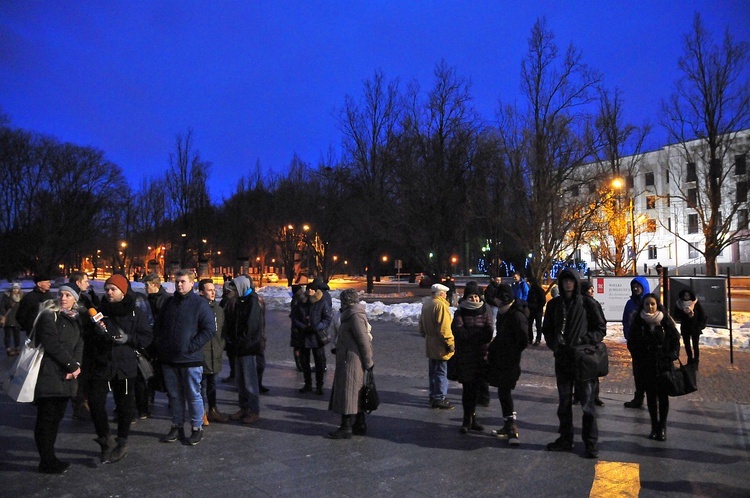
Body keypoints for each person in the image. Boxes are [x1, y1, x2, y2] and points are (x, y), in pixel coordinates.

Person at [86, 274, 152, 464]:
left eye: (113, 289)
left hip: (125, 365)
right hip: (103, 364)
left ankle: (122, 441)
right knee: (96, 402)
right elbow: (88, 338)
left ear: (122, 292)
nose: (109, 293)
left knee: (124, 405)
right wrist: (97, 334)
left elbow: (147, 337)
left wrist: (129, 339)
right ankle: (105, 439)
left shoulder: (134, 312)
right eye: (107, 289)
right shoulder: (100, 311)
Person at [542, 268, 606, 459]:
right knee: (564, 402)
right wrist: (555, 345)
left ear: (576, 282)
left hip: (583, 360)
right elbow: (547, 329)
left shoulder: (587, 303)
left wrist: (583, 340)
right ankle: (565, 438)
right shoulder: (555, 305)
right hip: (563, 359)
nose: (568, 284)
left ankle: (590, 442)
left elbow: (600, 329)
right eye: (565, 281)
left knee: (587, 404)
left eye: (571, 280)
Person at [155, 269, 215, 446]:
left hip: (190, 359)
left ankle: (197, 427)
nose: (179, 284)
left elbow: (209, 329)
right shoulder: (169, 303)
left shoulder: (199, 304)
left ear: (191, 282)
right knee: (174, 395)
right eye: (177, 281)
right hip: (170, 358)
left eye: (183, 281)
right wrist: (162, 344)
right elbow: (159, 326)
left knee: (193, 394)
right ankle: (177, 425)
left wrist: (191, 347)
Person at [32, 285, 83, 474]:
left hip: (67, 377)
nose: (63, 298)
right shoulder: (49, 315)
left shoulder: (76, 318)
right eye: (61, 294)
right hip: (49, 373)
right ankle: (46, 460)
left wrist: (76, 365)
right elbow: (51, 343)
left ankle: (50, 457)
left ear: (75, 300)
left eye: (68, 295)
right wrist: (71, 365)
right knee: (46, 418)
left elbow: (80, 343)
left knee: (56, 417)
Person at [627, 293, 681, 441]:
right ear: (642, 306)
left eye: (652, 304)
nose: (650, 307)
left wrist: (672, 355)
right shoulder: (638, 321)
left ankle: (662, 427)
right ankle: (654, 426)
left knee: (662, 397)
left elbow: (675, 341)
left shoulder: (665, 321)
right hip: (646, 366)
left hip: (663, 366)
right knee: (651, 397)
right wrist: (639, 356)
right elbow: (631, 342)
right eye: (647, 304)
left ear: (657, 305)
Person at [328, 289, 374, 439]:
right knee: (355, 391)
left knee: (347, 392)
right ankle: (359, 424)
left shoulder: (354, 316)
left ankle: (346, 426)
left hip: (351, 361)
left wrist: (369, 362)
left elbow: (363, 341)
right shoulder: (350, 314)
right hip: (348, 358)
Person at [487, 283, 528, 445]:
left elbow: (523, 340)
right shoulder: (505, 313)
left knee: (505, 391)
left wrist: (511, 351)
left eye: (497, 298)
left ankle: (511, 428)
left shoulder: (516, 315)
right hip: (501, 358)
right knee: (503, 392)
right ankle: (507, 424)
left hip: (510, 360)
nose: (495, 301)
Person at [451, 282, 493, 434]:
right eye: (471, 296)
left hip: (481, 356)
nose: (474, 299)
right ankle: (466, 419)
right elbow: (458, 330)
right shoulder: (460, 312)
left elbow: (489, 330)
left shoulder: (485, 309)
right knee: (467, 389)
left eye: (476, 296)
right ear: (466, 297)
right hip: (466, 356)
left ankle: (473, 418)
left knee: (476, 389)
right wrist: (475, 336)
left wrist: (473, 337)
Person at [224, 275, 264, 424]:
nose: (232, 291)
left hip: (248, 349)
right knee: (240, 381)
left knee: (250, 382)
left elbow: (250, 328)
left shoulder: (252, 302)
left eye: (234, 287)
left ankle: (254, 410)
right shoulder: (241, 301)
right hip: (238, 348)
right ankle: (244, 408)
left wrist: (239, 342)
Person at [292, 279, 332, 395]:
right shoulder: (301, 302)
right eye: (308, 289)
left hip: (317, 336)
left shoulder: (321, 302)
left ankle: (319, 385)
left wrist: (317, 327)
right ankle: (307, 384)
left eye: (312, 289)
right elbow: (295, 318)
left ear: (316, 291)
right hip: (304, 336)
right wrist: (303, 327)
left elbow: (327, 318)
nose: (310, 291)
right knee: (305, 362)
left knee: (319, 362)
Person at [419, 283, 455, 409]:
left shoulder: (427, 304)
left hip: (430, 342)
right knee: (441, 371)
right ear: (441, 294)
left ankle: (433, 395)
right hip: (440, 344)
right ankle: (439, 397)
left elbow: (421, 324)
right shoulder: (441, 306)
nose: (446, 296)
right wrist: (450, 343)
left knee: (433, 372)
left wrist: (425, 335)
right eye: (445, 293)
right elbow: (444, 328)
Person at [198, 279, 229, 424]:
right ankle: (201, 412)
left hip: (215, 352)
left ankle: (213, 409)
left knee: (212, 384)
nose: (213, 292)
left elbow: (222, 330)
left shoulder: (218, 309)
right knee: (201, 385)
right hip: (202, 353)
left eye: (213, 289)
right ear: (201, 292)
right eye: (209, 290)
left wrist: (220, 345)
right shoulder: (197, 308)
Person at [622, 276, 651, 409]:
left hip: (650, 345)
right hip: (635, 344)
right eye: (634, 286)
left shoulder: (650, 303)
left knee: (650, 373)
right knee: (638, 372)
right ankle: (638, 397)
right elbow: (625, 321)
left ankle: (652, 397)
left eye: (638, 286)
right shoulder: (630, 303)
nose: (636, 288)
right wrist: (629, 337)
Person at [580, 281, 605, 407]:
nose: (592, 291)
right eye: (590, 289)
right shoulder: (589, 303)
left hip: (588, 341)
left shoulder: (591, 303)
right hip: (588, 342)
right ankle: (593, 396)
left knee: (590, 371)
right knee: (591, 371)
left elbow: (601, 325)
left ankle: (589, 396)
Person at [672, 289, 707, 369]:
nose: (686, 297)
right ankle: (690, 360)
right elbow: (675, 315)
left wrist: (700, 325)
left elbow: (702, 314)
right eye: (685, 295)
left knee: (695, 345)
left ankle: (696, 362)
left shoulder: (695, 303)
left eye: (688, 295)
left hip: (695, 327)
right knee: (687, 345)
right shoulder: (679, 304)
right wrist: (684, 314)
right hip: (685, 327)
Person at [1, 282, 24, 356]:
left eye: (17, 288)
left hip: (17, 318)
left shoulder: (21, 296)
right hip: (8, 318)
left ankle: (17, 347)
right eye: (14, 288)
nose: (15, 290)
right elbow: (1, 306)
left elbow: (23, 307)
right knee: (8, 334)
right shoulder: (7, 296)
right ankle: (8, 348)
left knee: (17, 334)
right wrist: (4, 315)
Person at [289, 284, 306, 372]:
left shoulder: (297, 299)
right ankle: (299, 364)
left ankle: (300, 364)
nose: (302, 291)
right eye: (300, 289)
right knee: (298, 346)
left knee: (298, 346)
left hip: (297, 326)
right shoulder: (297, 300)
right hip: (297, 327)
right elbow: (295, 314)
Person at [526, 277, 546, 345]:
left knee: (536, 325)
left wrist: (537, 306)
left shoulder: (536, 290)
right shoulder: (533, 290)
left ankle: (533, 338)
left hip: (536, 310)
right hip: (535, 309)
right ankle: (535, 339)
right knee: (535, 325)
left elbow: (542, 300)